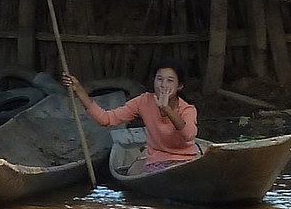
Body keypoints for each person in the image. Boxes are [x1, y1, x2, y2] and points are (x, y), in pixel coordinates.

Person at [62, 60, 199, 173]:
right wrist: (79, 90)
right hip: (158, 161)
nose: (163, 85)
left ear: (179, 86)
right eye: (159, 79)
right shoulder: (143, 101)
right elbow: (106, 119)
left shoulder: (187, 109)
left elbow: (189, 135)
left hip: (187, 161)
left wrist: (167, 109)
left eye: (170, 81)